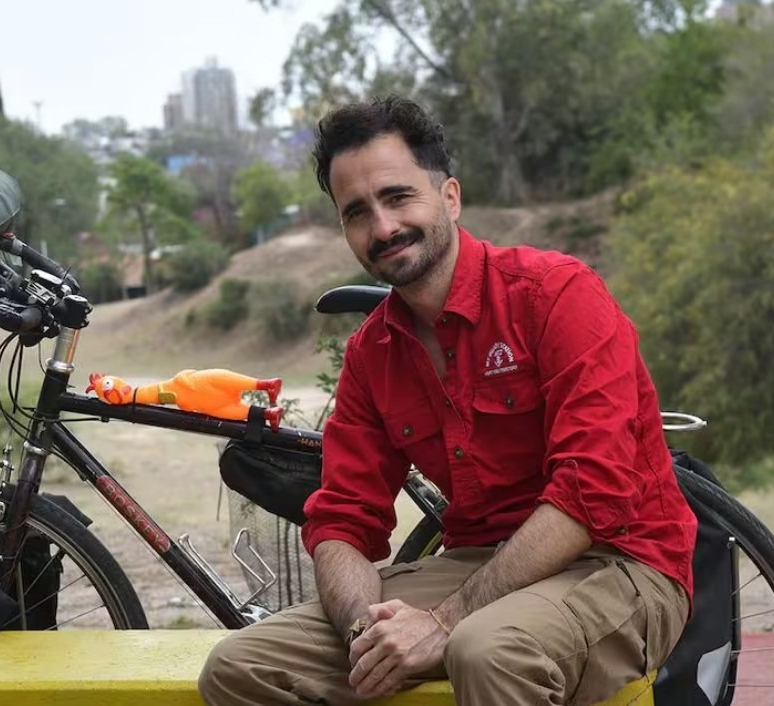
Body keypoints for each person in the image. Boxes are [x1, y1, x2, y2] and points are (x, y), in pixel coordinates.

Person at [199, 96, 696, 705]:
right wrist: (365, 631)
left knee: (487, 650)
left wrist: (442, 622)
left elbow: (591, 490)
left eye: (398, 196)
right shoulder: (371, 353)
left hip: (620, 563)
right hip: (479, 568)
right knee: (240, 667)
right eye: (358, 212)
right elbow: (342, 520)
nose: (383, 227)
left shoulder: (556, 295)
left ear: (450, 197)